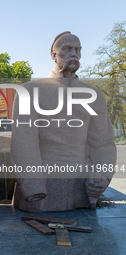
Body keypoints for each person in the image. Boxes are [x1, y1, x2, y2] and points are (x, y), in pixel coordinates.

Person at [11, 32, 117, 212]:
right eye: (67, 49)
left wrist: (103, 176)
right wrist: (33, 187)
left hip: (82, 190)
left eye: (78, 50)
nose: (74, 54)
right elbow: (23, 142)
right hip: (42, 189)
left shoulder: (94, 96)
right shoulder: (30, 91)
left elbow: (103, 143)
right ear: (54, 55)